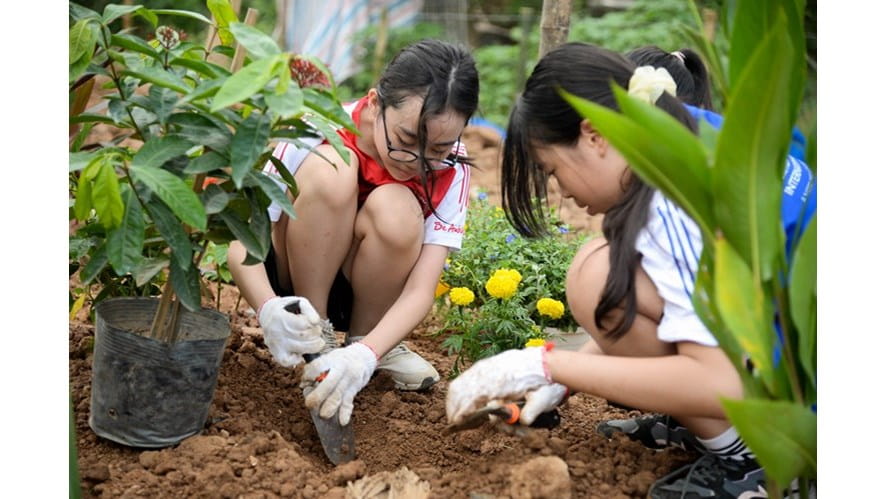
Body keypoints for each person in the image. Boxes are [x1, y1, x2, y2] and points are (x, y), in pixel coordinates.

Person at [445, 42, 815, 498]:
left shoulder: (671, 203)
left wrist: (540, 361)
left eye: (552, 170)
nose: (560, 190)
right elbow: (697, 317)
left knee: (597, 276)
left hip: (812, 407)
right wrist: (560, 379)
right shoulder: (689, 135)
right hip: (801, 356)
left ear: (594, 136)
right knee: (606, 266)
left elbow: (722, 382)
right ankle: (728, 437)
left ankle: (760, 465)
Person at [228, 39, 479, 426]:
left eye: (439, 149)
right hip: (295, 278)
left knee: (397, 208)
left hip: (373, 292)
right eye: (407, 140)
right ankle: (317, 338)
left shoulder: (454, 170)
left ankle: (367, 341)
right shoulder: (315, 130)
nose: (418, 163)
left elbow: (420, 290)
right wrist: (267, 309)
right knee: (333, 168)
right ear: (375, 102)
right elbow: (240, 240)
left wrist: (365, 357)